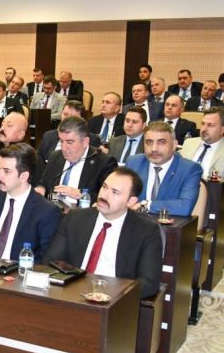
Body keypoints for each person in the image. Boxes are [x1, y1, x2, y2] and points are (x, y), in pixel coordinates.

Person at [43, 167, 163, 298]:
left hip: (116, 300)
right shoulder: (75, 219)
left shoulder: (146, 230)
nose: (104, 195)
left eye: (115, 192)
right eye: (104, 187)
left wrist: (111, 295)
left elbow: (149, 283)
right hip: (72, 293)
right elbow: (50, 261)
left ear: (130, 201)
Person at [0, 143, 60, 259]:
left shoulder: (46, 211)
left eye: (6, 171)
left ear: (24, 176)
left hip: (15, 267)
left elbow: (45, 260)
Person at [36, 116, 117, 205]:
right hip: (53, 208)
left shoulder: (104, 162)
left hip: (82, 211)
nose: (64, 148)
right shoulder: (55, 156)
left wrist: (81, 195)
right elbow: (43, 183)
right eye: (61, 141)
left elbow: (110, 198)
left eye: (70, 142)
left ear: (85, 142)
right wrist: (41, 189)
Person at [126, 121, 201, 216]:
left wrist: (145, 205)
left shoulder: (189, 169)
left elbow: (185, 206)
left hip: (168, 223)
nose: (154, 149)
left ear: (174, 145)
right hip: (134, 221)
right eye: (149, 142)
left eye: (161, 142)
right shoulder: (134, 162)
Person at [0, 112, 46, 189]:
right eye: (2, 125)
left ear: (21, 135)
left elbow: (37, 186)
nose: (2, 128)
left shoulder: (31, 157)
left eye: (9, 125)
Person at [37, 101, 102, 162]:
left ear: (82, 119)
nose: (67, 119)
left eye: (73, 117)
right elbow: (39, 161)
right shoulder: (48, 136)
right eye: (65, 114)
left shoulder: (92, 139)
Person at [179, 108, 224, 177]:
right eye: (203, 124)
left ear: (222, 129)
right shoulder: (189, 143)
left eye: (210, 125)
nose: (204, 129)